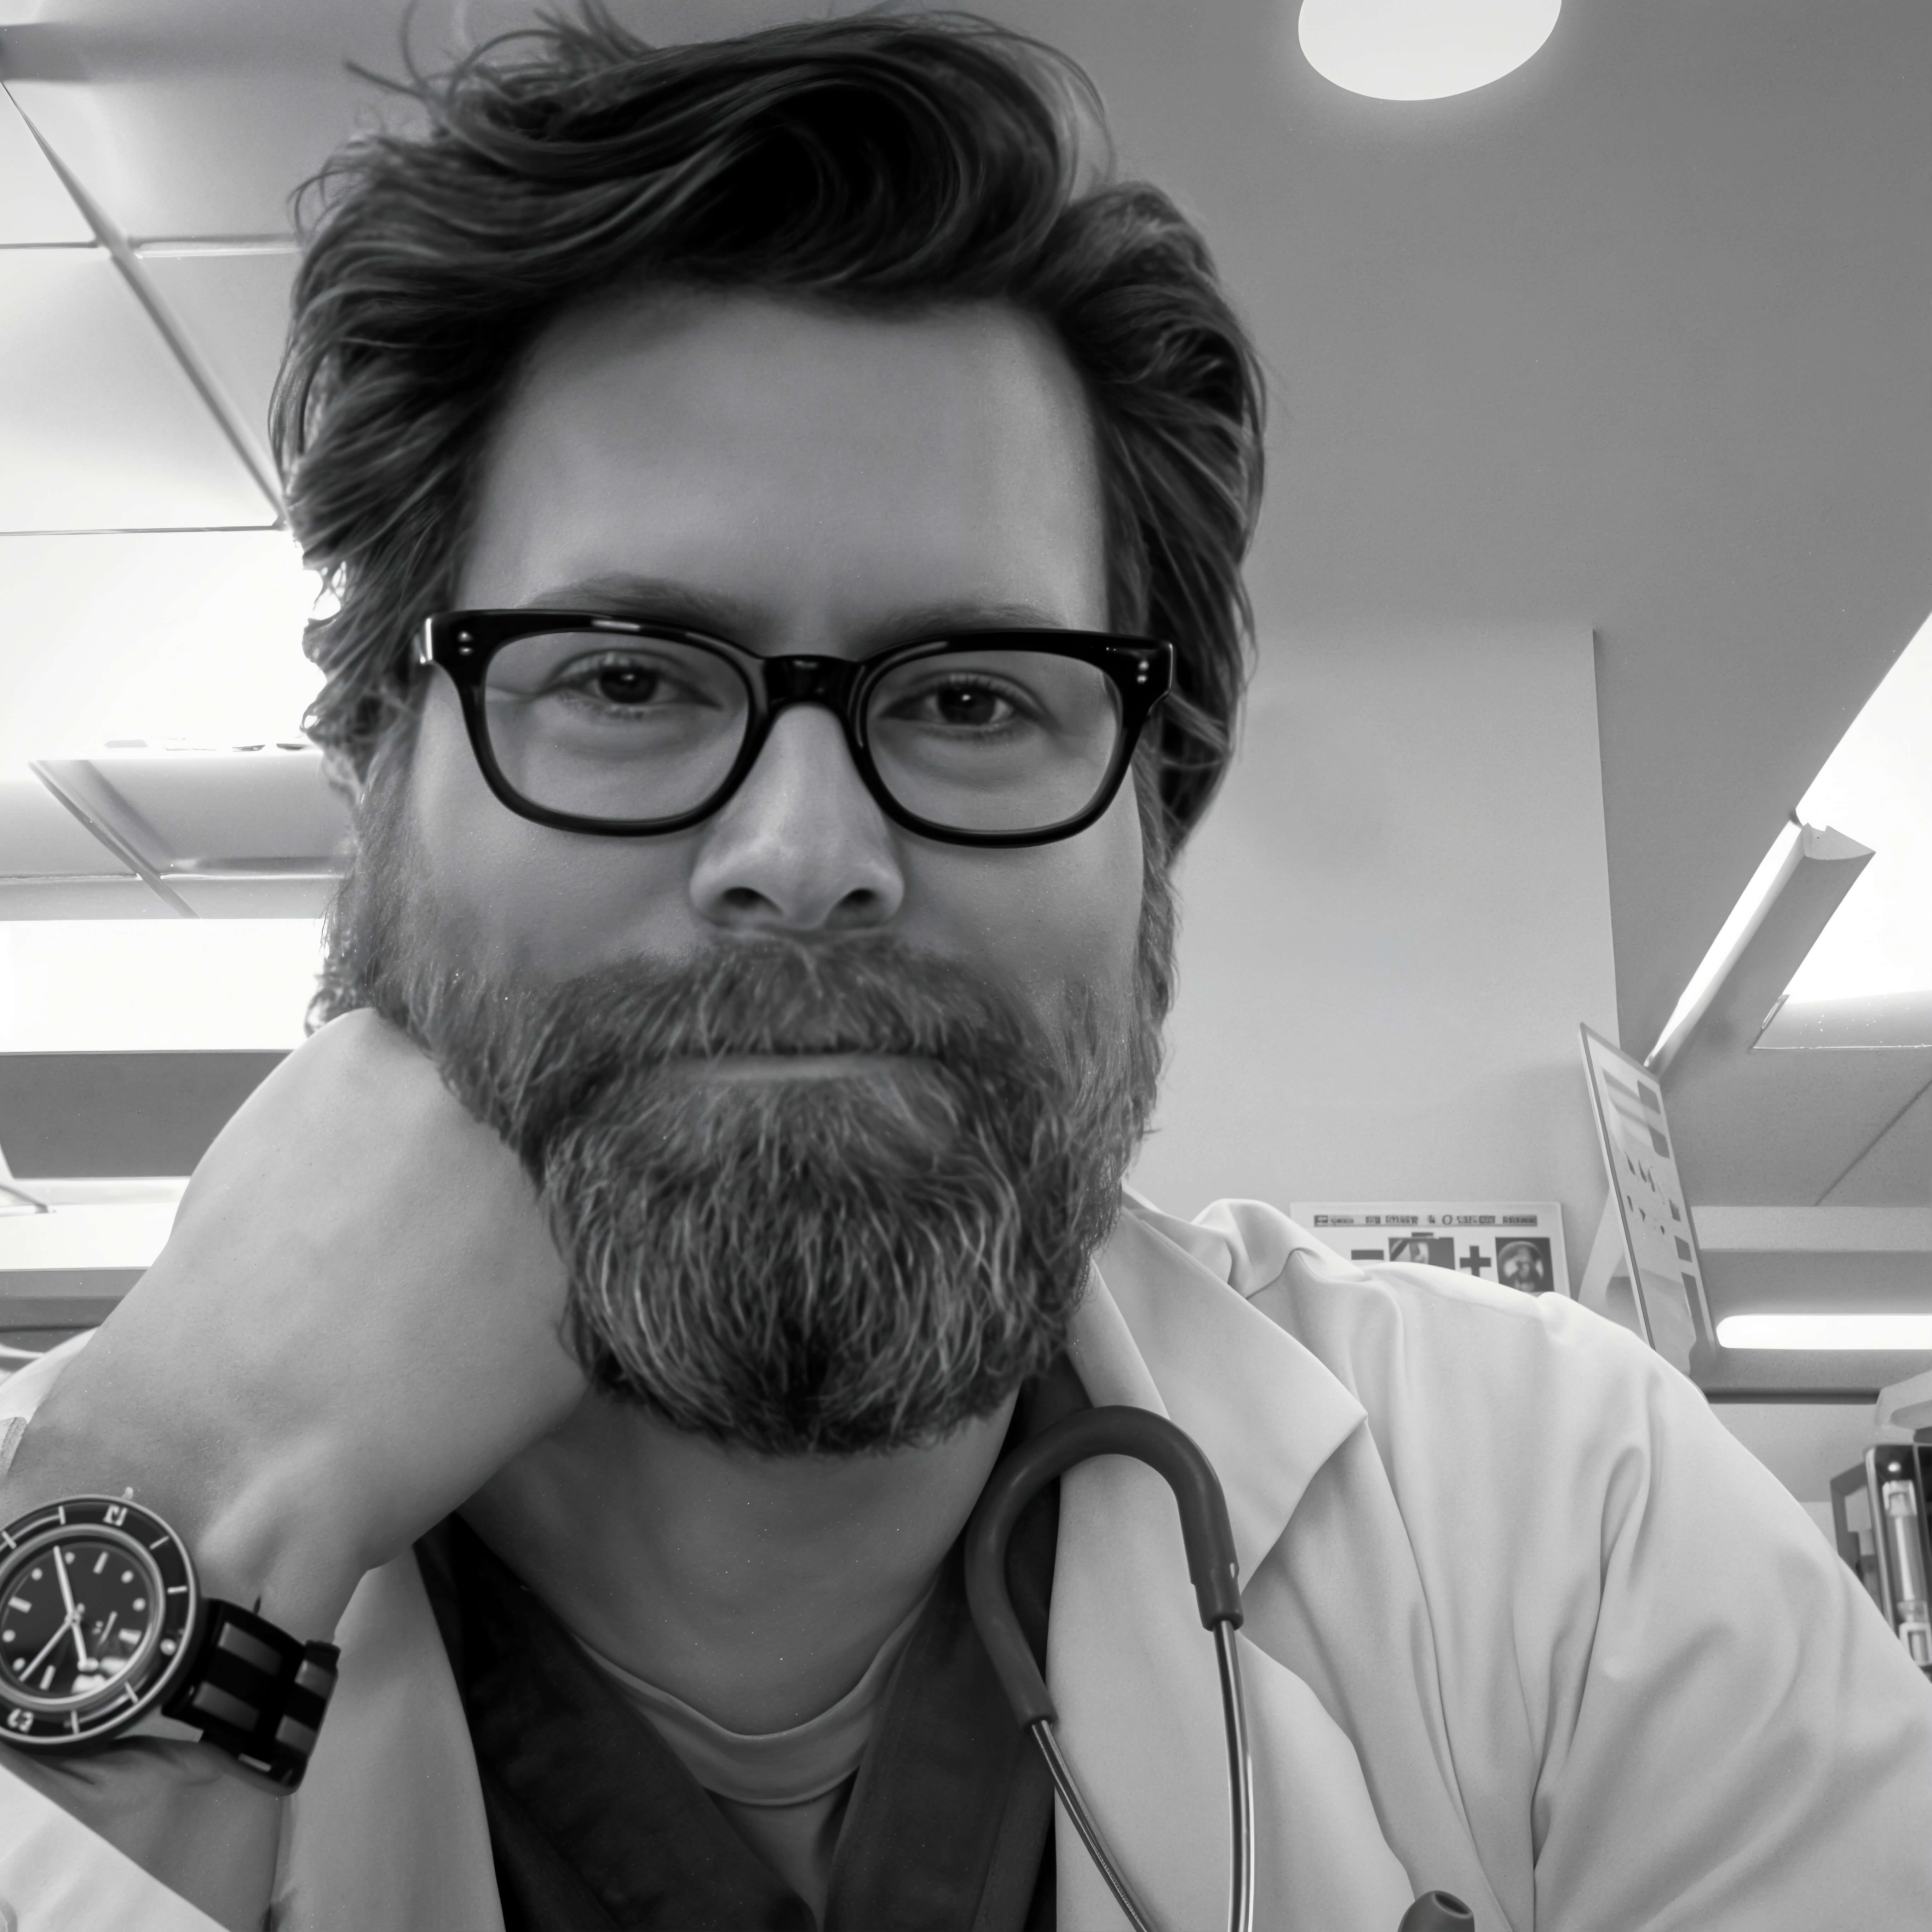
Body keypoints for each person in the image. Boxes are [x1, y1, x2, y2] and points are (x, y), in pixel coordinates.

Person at [0, 14, 1926, 1931]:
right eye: (624, 678)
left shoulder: (1570, 1532)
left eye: (973, 696)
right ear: (374, 783)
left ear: (1149, 833)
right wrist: (184, 1516)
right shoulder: (69, 1486)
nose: (808, 854)